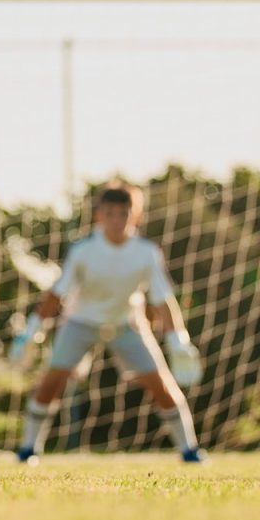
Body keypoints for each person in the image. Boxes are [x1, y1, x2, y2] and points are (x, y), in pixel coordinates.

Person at [15, 184, 206, 463]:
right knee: (50, 382)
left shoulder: (146, 252)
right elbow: (56, 294)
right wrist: (31, 331)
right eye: (110, 213)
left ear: (136, 216)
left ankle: (189, 450)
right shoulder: (83, 251)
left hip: (127, 323)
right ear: (98, 217)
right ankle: (28, 448)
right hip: (80, 322)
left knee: (161, 384)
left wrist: (179, 340)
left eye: (124, 213)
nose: (117, 220)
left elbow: (163, 299)